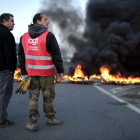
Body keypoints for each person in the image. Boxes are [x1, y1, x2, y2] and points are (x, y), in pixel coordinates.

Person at [18, 13, 64, 132]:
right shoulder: (48, 36)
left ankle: (32, 123)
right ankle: (51, 119)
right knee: (48, 97)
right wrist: (60, 71)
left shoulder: (24, 37)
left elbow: (21, 56)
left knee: (33, 98)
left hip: (30, 74)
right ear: (38, 21)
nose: (48, 22)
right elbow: (56, 55)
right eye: (45, 19)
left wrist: (23, 72)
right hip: (46, 74)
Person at [0, 13, 17, 127]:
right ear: (5, 21)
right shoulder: (6, 34)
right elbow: (10, 53)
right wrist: (12, 68)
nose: (14, 23)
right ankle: (1, 120)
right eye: (12, 21)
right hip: (4, 69)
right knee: (4, 94)